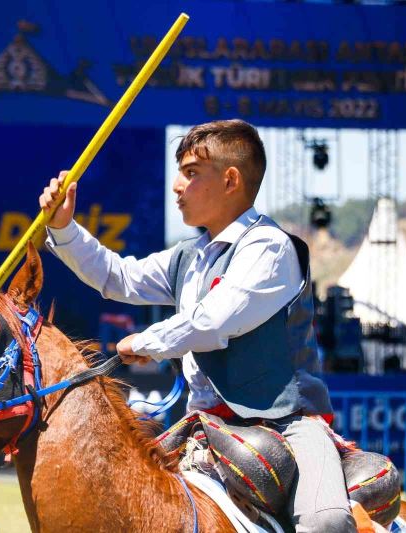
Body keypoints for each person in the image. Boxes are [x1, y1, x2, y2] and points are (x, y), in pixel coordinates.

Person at [39, 119, 356, 532]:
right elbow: (116, 278)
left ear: (230, 180)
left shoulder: (270, 247)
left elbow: (214, 321)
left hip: (289, 425)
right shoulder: (189, 255)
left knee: (327, 523)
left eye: (190, 173)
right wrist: (64, 228)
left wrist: (149, 340)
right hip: (203, 426)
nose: (176, 185)